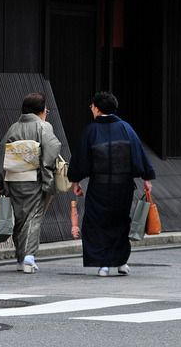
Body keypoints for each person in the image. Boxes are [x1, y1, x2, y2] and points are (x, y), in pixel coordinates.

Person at [67, 91, 156, 277]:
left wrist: (76, 181)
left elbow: (80, 158)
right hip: (122, 186)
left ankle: (103, 264)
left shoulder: (91, 130)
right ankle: (121, 261)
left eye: (92, 107)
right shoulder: (125, 128)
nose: (91, 109)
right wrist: (146, 178)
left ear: (97, 109)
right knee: (121, 221)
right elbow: (138, 153)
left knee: (96, 223)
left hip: (99, 185)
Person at [0, 92, 61, 273]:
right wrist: (47, 172)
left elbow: (2, 154)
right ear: (41, 110)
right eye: (46, 109)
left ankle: (21, 258)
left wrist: (1, 180)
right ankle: (28, 256)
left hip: (13, 179)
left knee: (20, 218)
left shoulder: (13, 128)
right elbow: (52, 149)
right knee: (33, 217)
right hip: (33, 179)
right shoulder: (43, 127)